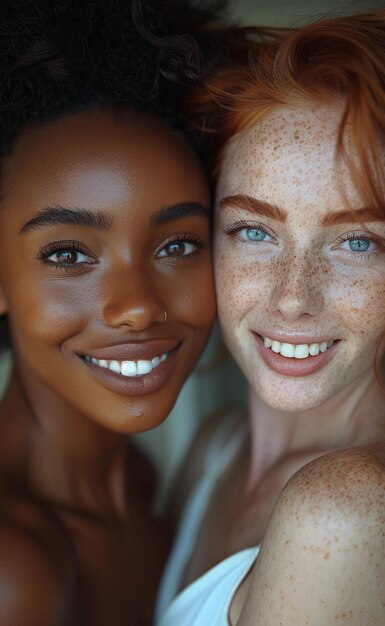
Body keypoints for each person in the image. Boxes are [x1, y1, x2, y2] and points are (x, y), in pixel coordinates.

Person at [156, 5, 385, 625]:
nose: (294, 296)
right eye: (253, 231)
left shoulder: (346, 509)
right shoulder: (213, 449)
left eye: (357, 242)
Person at [0, 0, 224, 624]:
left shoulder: (148, 488)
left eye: (178, 245)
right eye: (68, 253)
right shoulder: (15, 569)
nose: (137, 307)